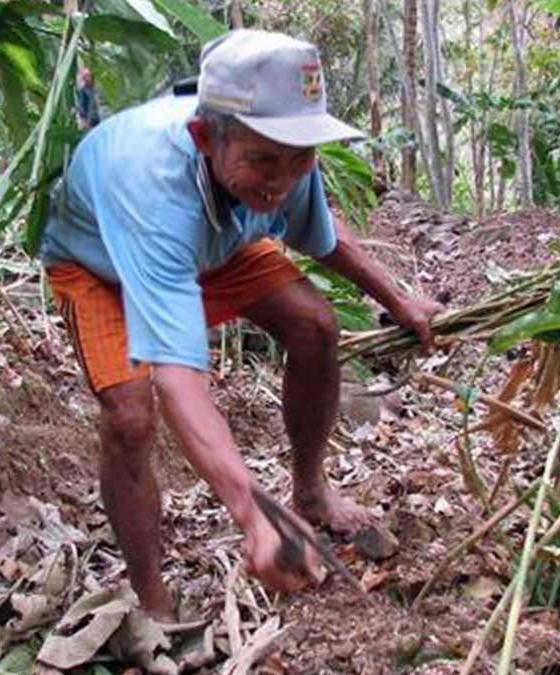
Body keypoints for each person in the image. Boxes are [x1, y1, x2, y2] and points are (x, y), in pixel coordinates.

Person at [40, 29, 442, 619]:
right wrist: (253, 514)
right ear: (206, 137)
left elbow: (323, 236)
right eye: (263, 160)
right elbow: (179, 381)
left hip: (209, 249)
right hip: (100, 266)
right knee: (130, 416)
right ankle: (152, 598)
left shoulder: (286, 163)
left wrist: (400, 300)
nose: (282, 180)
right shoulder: (154, 186)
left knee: (315, 325)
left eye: (299, 158)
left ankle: (310, 491)